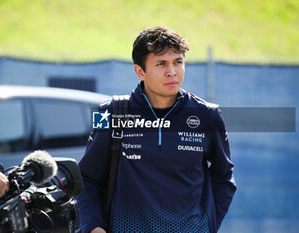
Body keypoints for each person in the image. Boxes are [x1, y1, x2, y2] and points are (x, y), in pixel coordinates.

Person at [77, 26, 236, 233]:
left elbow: (224, 178)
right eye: (161, 64)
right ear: (140, 71)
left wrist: (207, 225)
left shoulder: (209, 115)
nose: (172, 72)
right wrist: (93, 227)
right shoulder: (109, 112)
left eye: (178, 62)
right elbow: (87, 178)